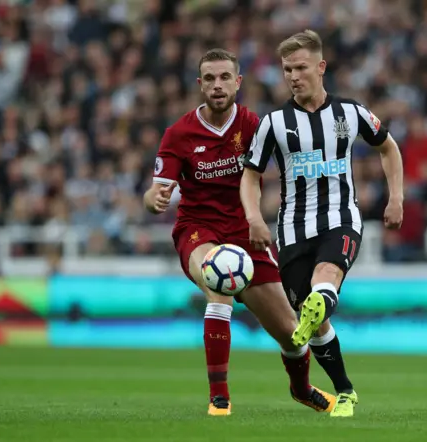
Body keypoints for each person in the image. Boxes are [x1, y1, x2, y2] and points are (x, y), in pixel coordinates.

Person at [143, 48, 336, 416]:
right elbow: (157, 190)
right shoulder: (179, 134)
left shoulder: (254, 127)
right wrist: (155, 198)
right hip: (198, 231)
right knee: (220, 279)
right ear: (200, 85)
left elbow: (294, 164)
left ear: (238, 82)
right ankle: (220, 397)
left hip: (247, 233)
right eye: (210, 79)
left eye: (225, 78)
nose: (218, 85)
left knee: (292, 333)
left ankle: (301, 388)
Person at [240, 30, 404, 417]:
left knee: (325, 280)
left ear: (321, 67)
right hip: (293, 230)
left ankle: (321, 299)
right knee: (314, 321)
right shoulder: (274, 123)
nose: (293, 76)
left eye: (300, 67)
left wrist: (396, 196)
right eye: (286, 70)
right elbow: (250, 175)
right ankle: (345, 390)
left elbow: (388, 147)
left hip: (341, 219)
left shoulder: (350, 113)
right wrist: (253, 218)